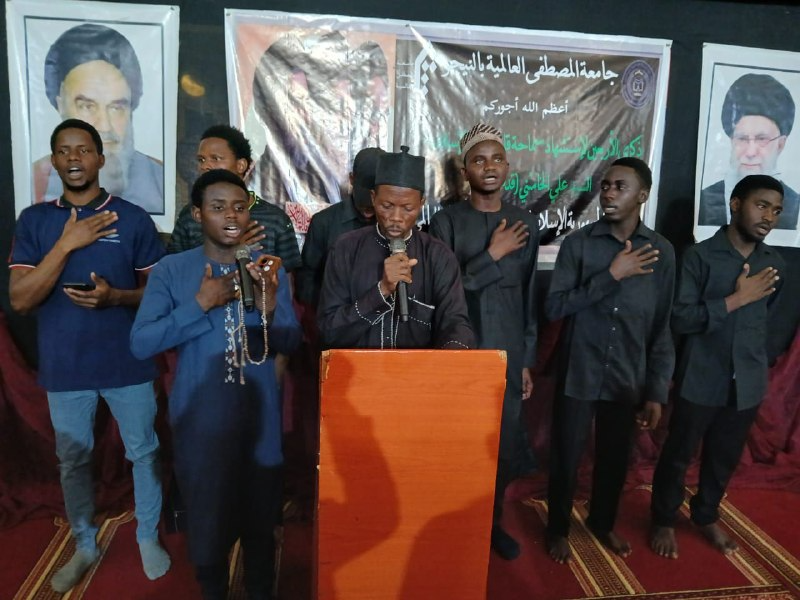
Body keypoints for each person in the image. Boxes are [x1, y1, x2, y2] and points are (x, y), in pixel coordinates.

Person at [9, 119, 170, 592]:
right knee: (73, 462)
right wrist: (66, 244)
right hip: (65, 366)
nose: (74, 158)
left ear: (100, 158)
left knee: (144, 453)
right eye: (64, 151)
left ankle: (146, 536)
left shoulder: (132, 218)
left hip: (128, 362)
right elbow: (21, 299)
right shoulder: (35, 221)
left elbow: (158, 294)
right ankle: (84, 545)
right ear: (54, 161)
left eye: (83, 150)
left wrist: (116, 297)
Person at [131, 168, 302, 600]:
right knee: (207, 535)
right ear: (197, 214)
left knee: (261, 531)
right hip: (201, 429)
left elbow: (290, 343)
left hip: (259, 429)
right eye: (218, 207)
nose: (231, 216)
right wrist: (200, 303)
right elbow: (141, 342)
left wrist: (270, 306)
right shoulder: (173, 270)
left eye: (240, 207)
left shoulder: (267, 269)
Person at [545, 157, 675, 563]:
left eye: (620, 186)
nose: (609, 194)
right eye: (605, 186)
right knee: (566, 457)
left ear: (643, 195)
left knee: (615, 459)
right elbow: (554, 307)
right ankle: (557, 529)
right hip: (579, 372)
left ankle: (602, 523)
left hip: (627, 376)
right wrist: (612, 275)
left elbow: (662, 325)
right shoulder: (579, 245)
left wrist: (655, 391)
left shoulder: (662, 252)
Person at [651, 174, 785, 559]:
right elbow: (680, 318)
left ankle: (706, 515)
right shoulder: (699, 257)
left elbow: (770, 322)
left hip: (747, 382)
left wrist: (755, 363)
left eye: (776, 210)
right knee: (679, 453)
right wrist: (734, 300)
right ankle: (663, 518)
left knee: (724, 456)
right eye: (761, 205)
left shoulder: (773, 264)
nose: (769, 217)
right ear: (736, 204)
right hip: (700, 375)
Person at [429, 123, 539, 560]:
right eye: (478, 159)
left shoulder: (525, 223)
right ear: (464, 170)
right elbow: (443, 291)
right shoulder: (446, 222)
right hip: (460, 352)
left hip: (508, 353)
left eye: (496, 159)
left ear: (508, 167)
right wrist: (492, 254)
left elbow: (529, 296)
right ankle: (451, 525)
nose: (488, 167)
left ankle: (490, 524)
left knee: (503, 443)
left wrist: (526, 359)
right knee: (458, 443)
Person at [318, 146, 475, 350]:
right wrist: (382, 290)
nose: (396, 217)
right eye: (387, 206)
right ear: (373, 198)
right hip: (359, 369)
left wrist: (453, 353)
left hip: (418, 370)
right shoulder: (345, 249)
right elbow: (329, 331)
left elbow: (455, 323)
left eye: (408, 208)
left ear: (421, 203)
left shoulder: (438, 256)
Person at [33, 23, 163, 213]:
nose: (104, 125)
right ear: (61, 105)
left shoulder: (161, 179)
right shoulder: (34, 180)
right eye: (87, 106)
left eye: (116, 107)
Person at [167, 124, 301, 270]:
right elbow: (174, 272)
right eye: (201, 160)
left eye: (215, 158)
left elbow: (288, 279)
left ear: (241, 165)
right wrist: (229, 250)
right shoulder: (190, 216)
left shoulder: (276, 219)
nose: (205, 166)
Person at [699, 73, 799, 230]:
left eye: (762, 139)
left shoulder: (795, 206)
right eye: (742, 139)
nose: (750, 152)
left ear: (780, 144)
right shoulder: (704, 201)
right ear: (731, 141)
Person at [295, 146, 384, 307]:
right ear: (352, 179)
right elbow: (306, 281)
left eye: (373, 204)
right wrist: (330, 307)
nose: (368, 209)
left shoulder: (392, 226)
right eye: (364, 202)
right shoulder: (323, 222)